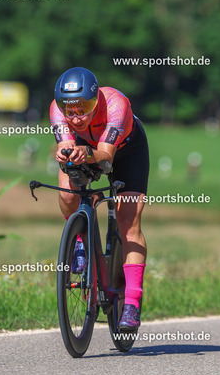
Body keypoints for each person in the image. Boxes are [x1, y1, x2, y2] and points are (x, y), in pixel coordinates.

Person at [50, 67, 149, 330]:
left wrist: (87, 153)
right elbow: (64, 144)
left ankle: (132, 303)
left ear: (96, 101)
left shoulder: (116, 105)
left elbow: (105, 157)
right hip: (86, 148)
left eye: (83, 108)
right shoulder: (57, 110)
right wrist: (64, 152)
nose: (76, 117)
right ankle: (79, 240)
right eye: (69, 109)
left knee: (128, 222)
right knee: (67, 194)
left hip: (125, 151)